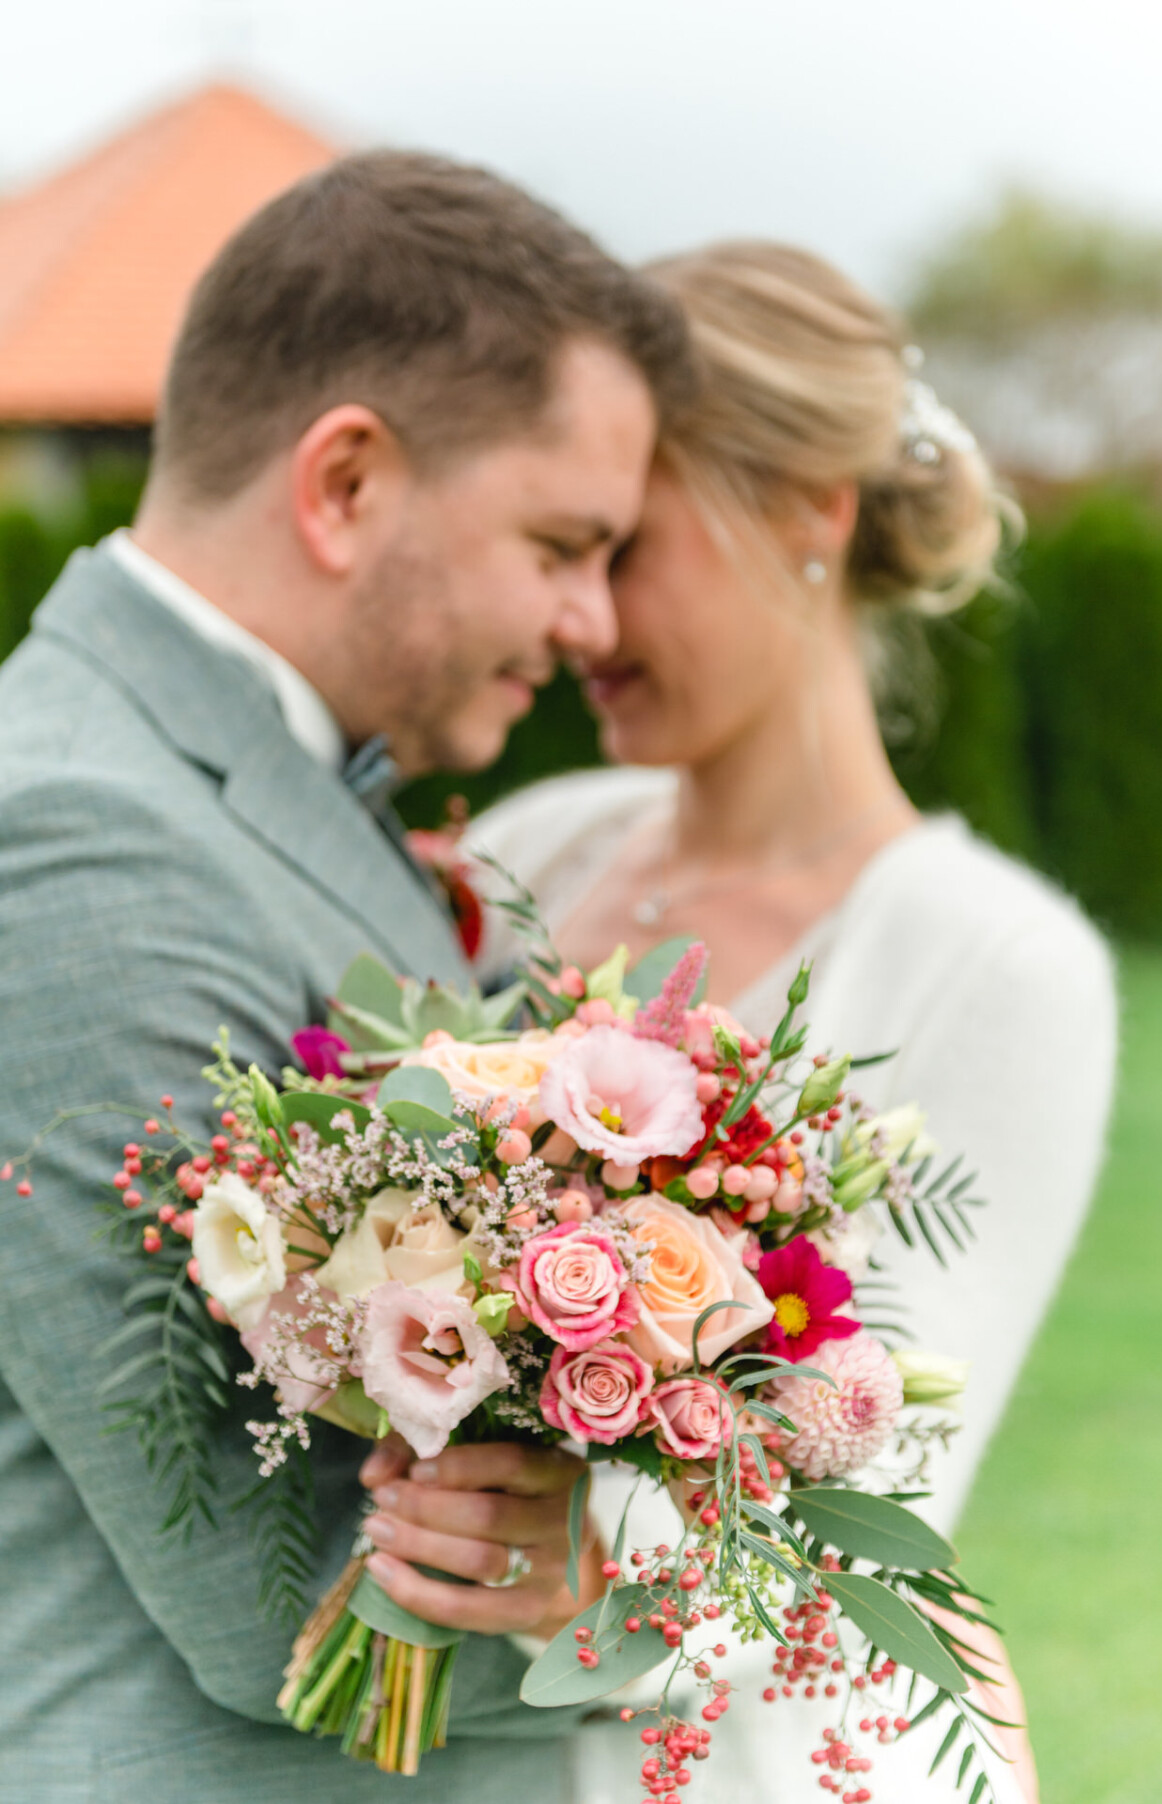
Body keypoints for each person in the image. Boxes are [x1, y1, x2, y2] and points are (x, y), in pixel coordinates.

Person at [0, 151, 695, 1803]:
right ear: (347, 485)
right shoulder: (76, 838)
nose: (592, 620)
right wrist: (758, 1604)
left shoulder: (270, 787)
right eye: (561, 540)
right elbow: (284, 1602)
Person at [471, 241, 1117, 1804]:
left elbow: (874, 1478)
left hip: (757, 1760)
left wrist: (546, 1549)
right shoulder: (540, 845)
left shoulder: (997, 963)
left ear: (808, 510)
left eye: (629, 543)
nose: (576, 608)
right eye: (564, 541)